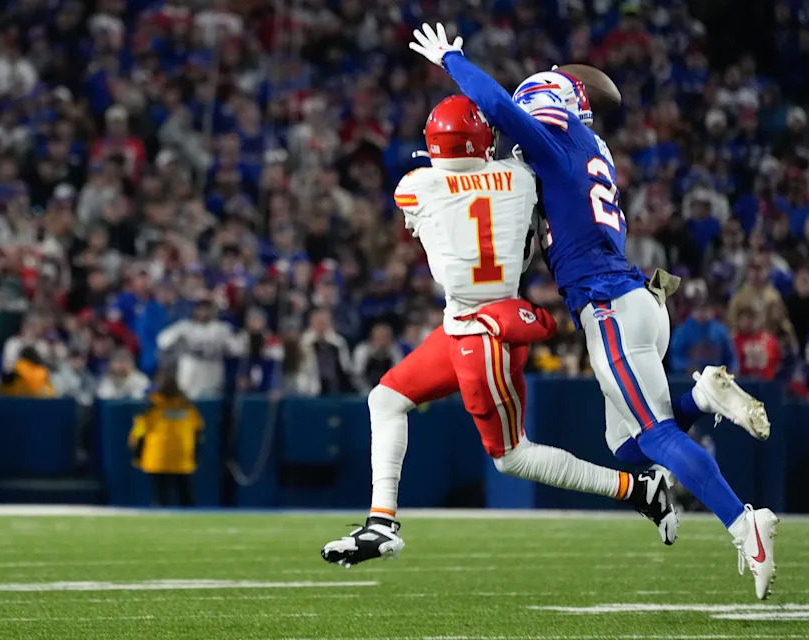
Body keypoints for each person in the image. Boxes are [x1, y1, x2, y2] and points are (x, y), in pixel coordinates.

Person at [409, 23, 776, 598]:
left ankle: (742, 521)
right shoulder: (591, 148)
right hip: (641, 303)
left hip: (608, 307)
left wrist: (453, 59)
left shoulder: (549, 143)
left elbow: (499, 108)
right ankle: (702, 398)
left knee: (654, 436)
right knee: (625, 447)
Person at [323, 95, 675, 569]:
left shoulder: (417, 186)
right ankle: (381, 523)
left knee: (512, 457)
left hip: (482, 336)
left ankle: (637, 489)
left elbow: (428, 199)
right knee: (385, 399)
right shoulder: (522, 178)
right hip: (477, 321)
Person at [128, 373, 204, 507]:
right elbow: (198, 432)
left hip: (158, 457)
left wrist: (137, 455)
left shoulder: (151, 405)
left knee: (160, 498)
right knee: (186, 497)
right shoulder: (187, 406)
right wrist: (196, 455)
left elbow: (139, 431)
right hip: (182, 457)